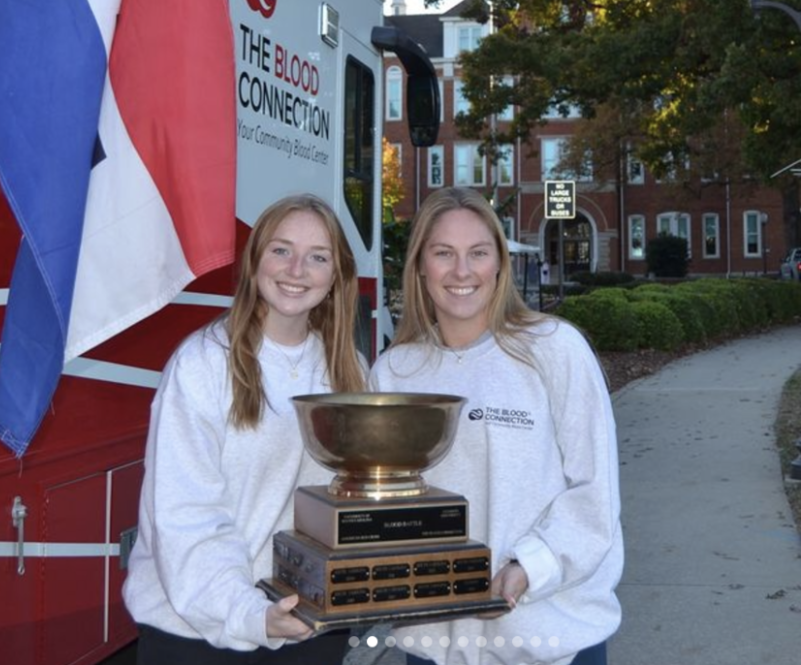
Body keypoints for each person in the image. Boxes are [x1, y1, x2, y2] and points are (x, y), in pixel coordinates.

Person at [371, 187, 623, 665]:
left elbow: (595, 493)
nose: (462, 271)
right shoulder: (394, 372)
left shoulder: (553, 349)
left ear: (500, 265)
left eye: (478, 253)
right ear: (421, 266)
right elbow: (383, 501)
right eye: (443, 253)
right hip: (433, 642)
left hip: (549, 637)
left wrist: (529, 566)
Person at [123, 193, 365, 664]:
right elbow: (186, 515)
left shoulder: (349, 370)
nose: (296, 269)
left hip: (310, 624)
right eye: (281, 250)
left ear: (336, 278)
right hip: (197, 632)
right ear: (255, 260)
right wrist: (249, 612)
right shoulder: (202, 364)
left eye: (318, 257)